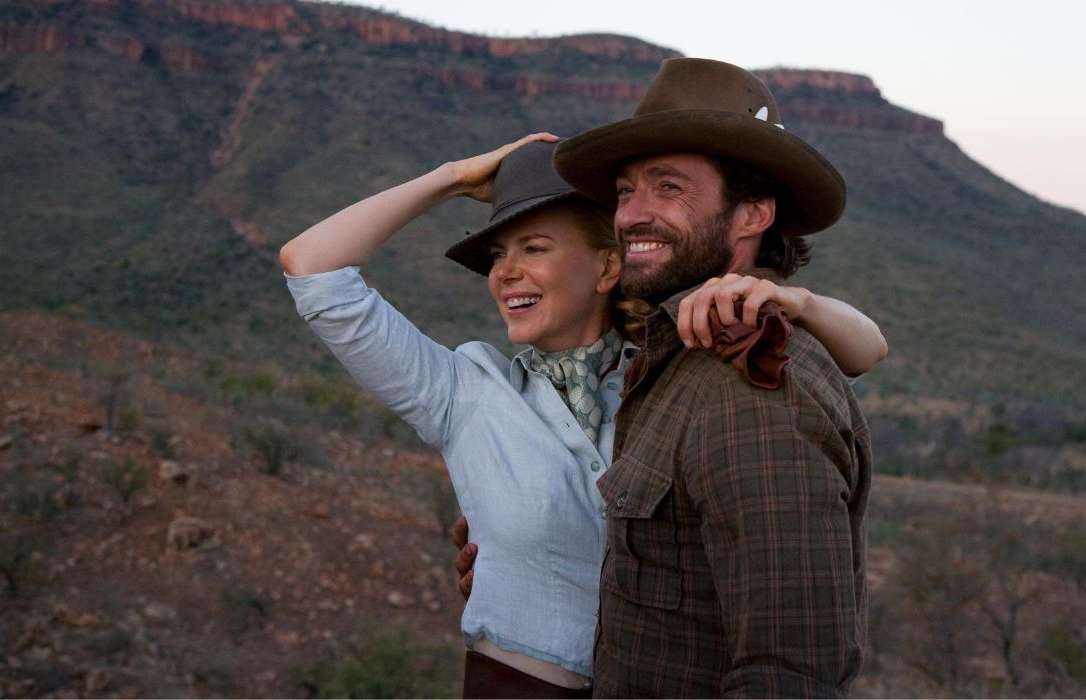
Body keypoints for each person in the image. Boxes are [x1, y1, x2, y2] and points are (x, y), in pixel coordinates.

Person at [279, 134, 885, 697]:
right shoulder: (463, 392)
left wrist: (798, 302)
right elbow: (313, 268)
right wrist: (456, 177)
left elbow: (861, 352)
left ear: (607, 267)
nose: (505, 273)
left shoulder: (669, 372)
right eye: (497, 255)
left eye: (534, 248)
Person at [553, 57, 874, 697]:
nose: (631, 215)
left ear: (752, 215)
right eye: (624, 190)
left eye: (668, 188)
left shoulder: (754, 382)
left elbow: (790, 674)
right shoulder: (672, 355)